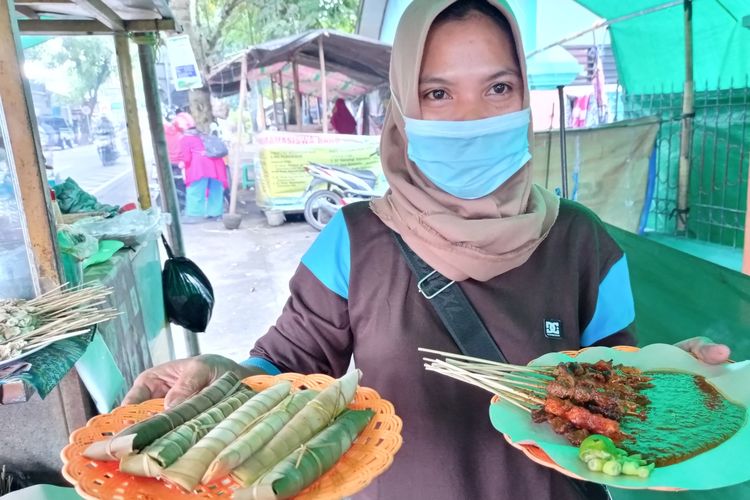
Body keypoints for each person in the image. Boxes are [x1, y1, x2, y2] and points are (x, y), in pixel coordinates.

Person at [125, 1, 731, 498]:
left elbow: (617, 384)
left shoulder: (585, 244)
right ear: (402, 110)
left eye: (498, 87)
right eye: (438, 94)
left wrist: (670, 384)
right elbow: (285, 366)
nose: (471, 118)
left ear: (524, 98)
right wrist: (228, 380)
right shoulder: (353, 239)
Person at [175, 112, 228, 222]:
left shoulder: (185, 139)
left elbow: (186, 158)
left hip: (199, 167)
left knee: (195, 190)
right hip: (217, 165)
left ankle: (194, 215)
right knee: (215, 189)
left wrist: (181, 164)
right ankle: (215, 214)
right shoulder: (203, 135)